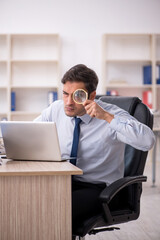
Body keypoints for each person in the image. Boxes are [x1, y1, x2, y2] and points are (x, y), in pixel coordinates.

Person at [34, 64, 155, 236]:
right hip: (62, 181)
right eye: (65, 94)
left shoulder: (111, 115)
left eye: (77, 96)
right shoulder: (56, 109)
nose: (68, 102)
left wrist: (106, 117)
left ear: (91, 95)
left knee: (58, 210)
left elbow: (148, 140)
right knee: (26, 201)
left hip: (99, 189)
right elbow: (30, 132)